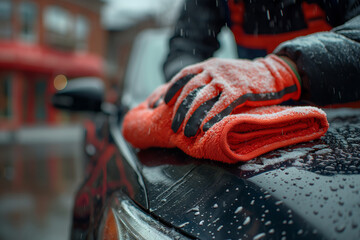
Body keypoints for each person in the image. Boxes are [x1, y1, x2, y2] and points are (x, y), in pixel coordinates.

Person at [160, 0, 360, 137]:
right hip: (263, 139)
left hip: (347, 135)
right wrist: (192, 85)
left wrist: (279, 72)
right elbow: (185, 48)